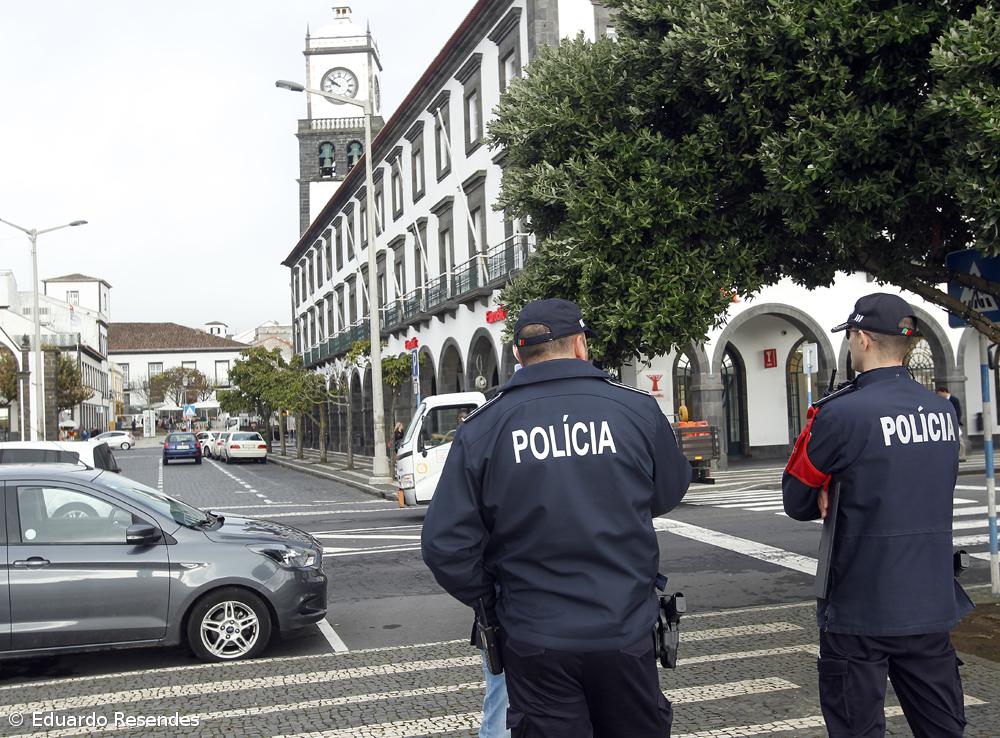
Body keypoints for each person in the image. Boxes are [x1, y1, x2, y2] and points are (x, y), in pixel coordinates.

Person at [421, 298, 691, 737]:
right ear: (582, 345)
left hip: (534, 634)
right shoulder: (635, 410)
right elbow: (667, 493)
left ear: (517, 356)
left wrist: (493, 599)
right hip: (623, 627)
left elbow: (444, 545)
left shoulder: (484, 427)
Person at [782, 292, 974, 738]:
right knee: (942, 729)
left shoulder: (840, 414)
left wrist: (829, 483)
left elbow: (796, 499)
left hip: (859, 606)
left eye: (850, 337)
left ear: (862, 339)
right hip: (928, 601)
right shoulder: (942, 411)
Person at [937, 386, 967, 461]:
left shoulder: (954, 400)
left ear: (944, 392)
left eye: (939, 393)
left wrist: (956, 421)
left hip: (954, 422)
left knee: (959, 440)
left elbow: (958, 411)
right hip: (947, 422)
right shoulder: (942, 401)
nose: (939, 395)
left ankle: (962, 456)